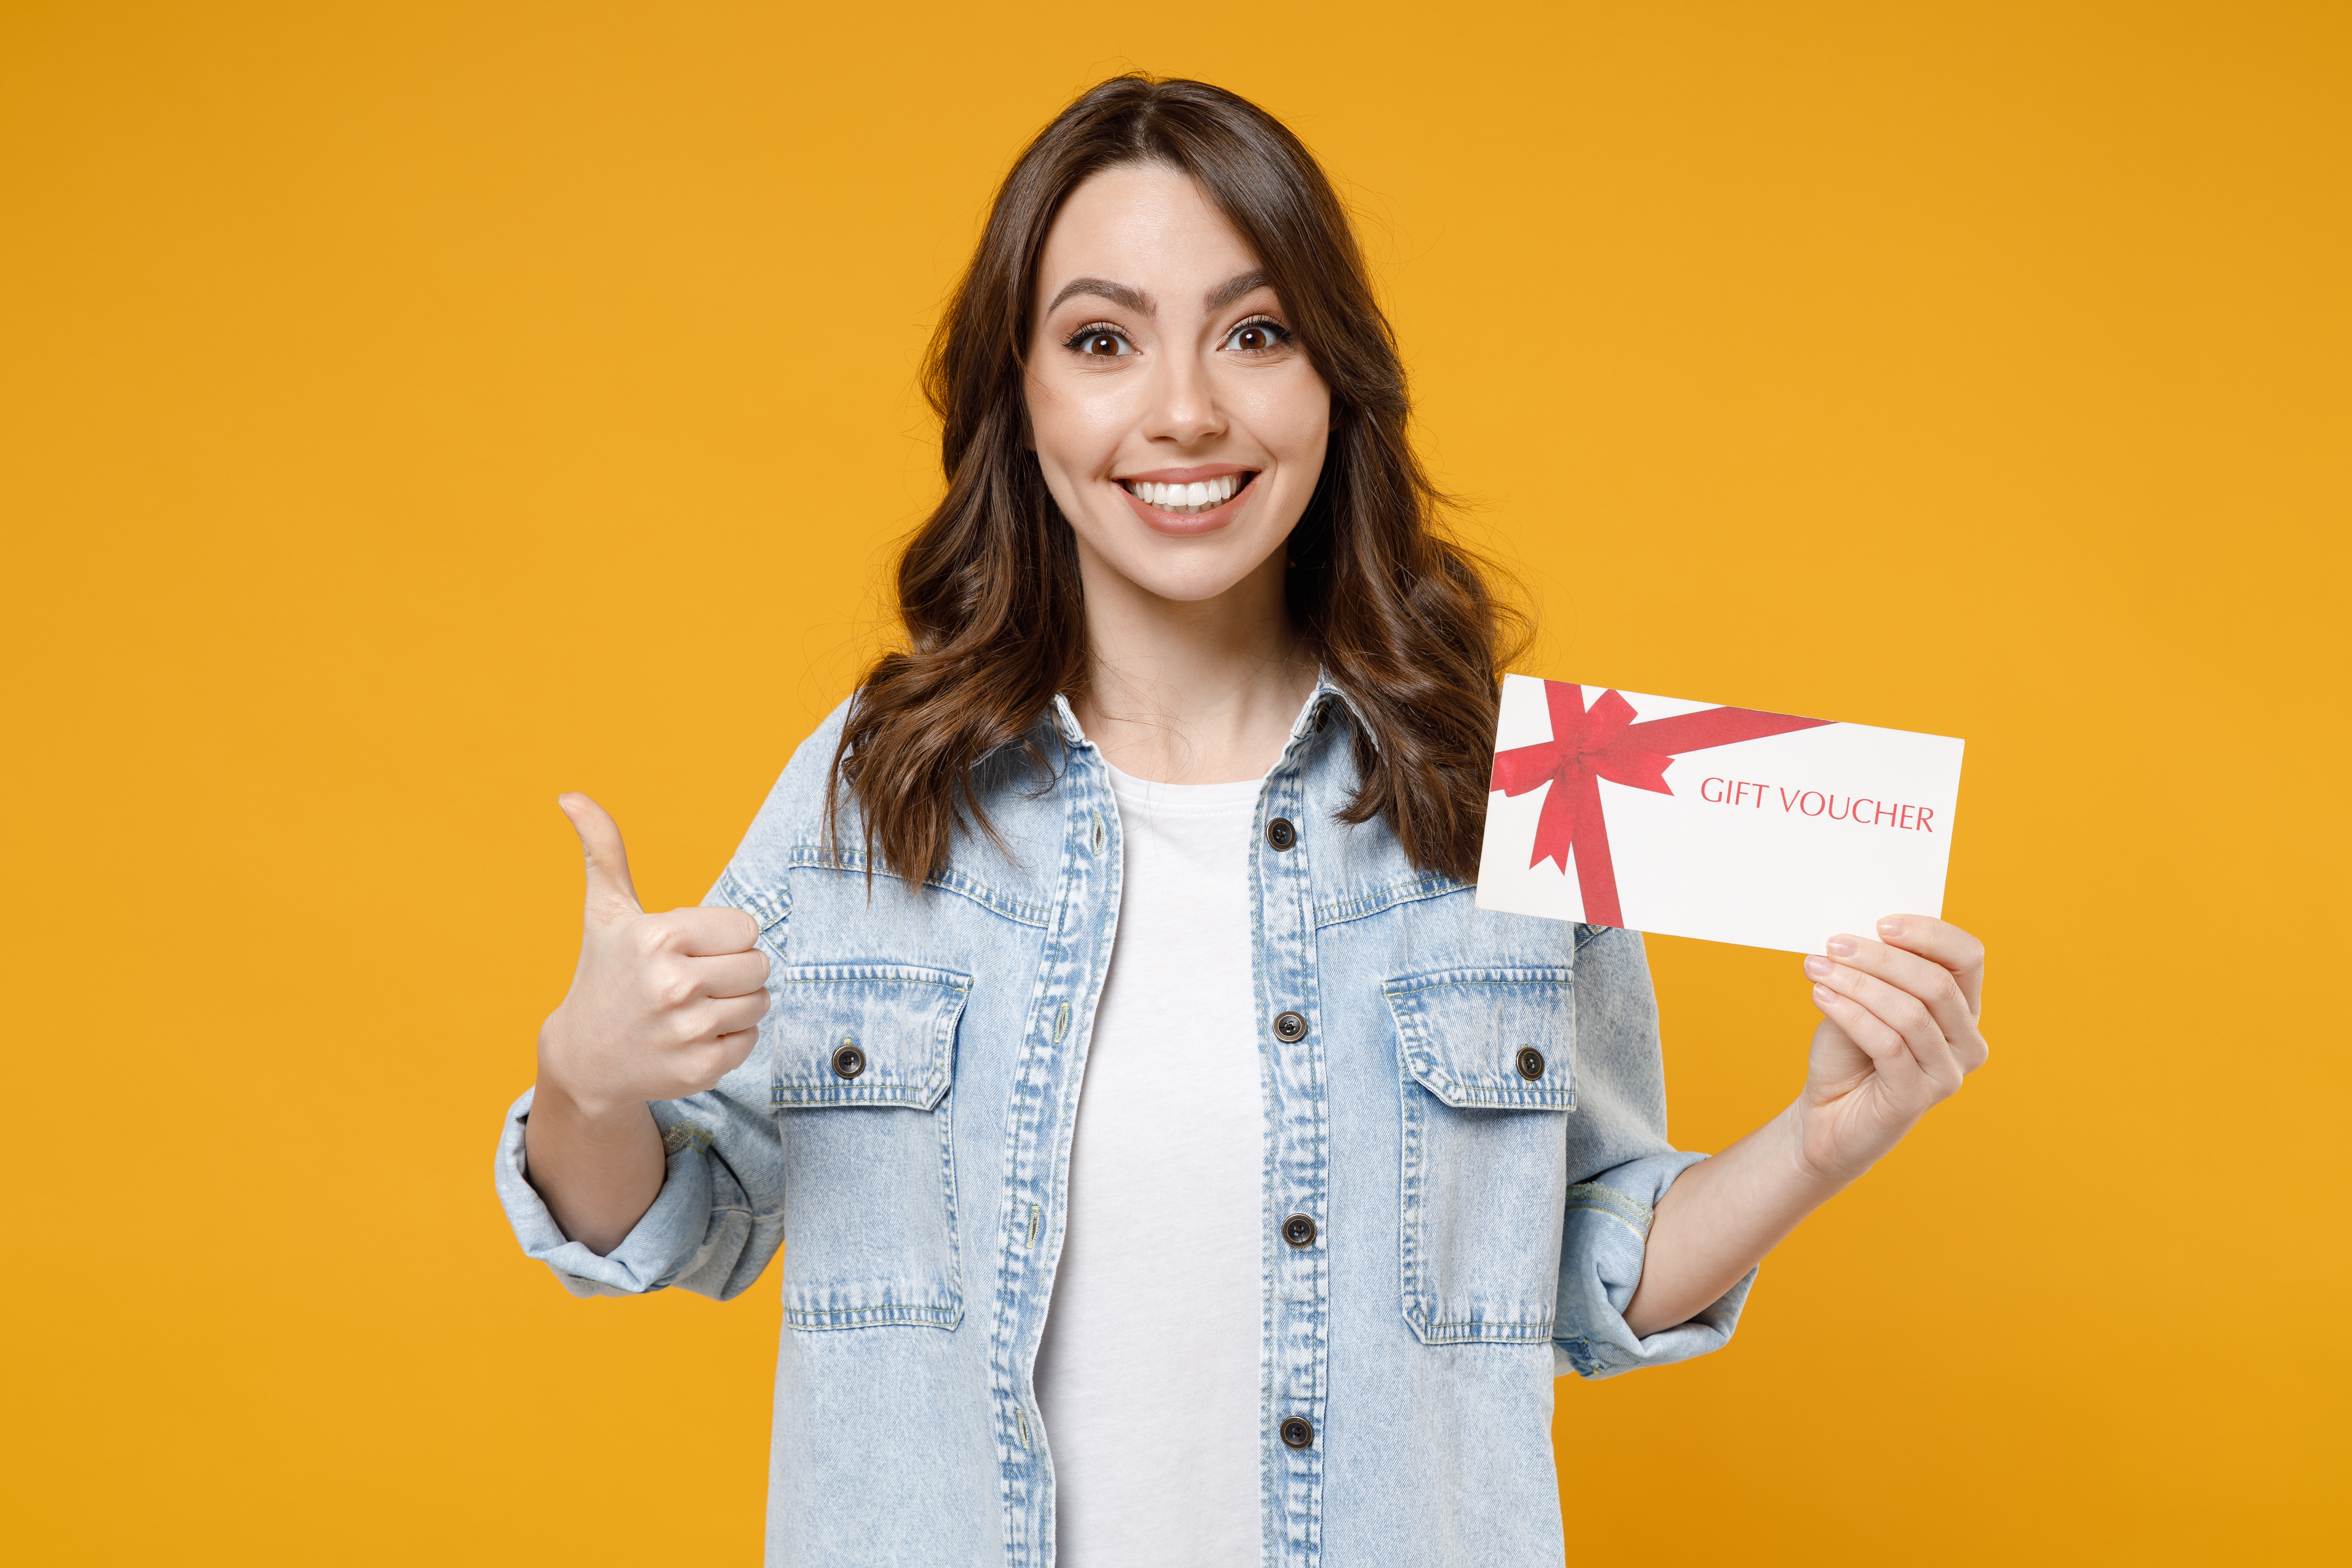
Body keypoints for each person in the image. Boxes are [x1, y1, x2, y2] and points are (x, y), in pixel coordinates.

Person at [495, 74, 1989, 1567]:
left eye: (1254, 332)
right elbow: (679, 1219)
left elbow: (1588, 1269)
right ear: (1019, 400)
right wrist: (588, 1074)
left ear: (1335, 380)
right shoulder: (881, 783)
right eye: (1101, 342)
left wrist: (1820, 1140)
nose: (1188, 409)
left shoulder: (1491, 787)